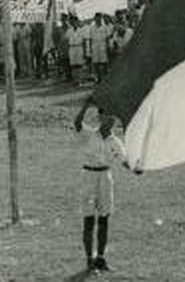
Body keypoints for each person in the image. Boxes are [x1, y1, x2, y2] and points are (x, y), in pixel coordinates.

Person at [73, 96, 140, 273]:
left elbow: (124, 160)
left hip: (105, 177)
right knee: (89, 219)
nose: (110, 121)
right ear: (101, 118)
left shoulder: (115, 142)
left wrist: (135, 169)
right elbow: (77, 123)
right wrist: (86, 106)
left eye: (113, 119)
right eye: (107, 117)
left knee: (104, 218)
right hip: (88, 176)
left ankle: (101, 258)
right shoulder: (88, 134)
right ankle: (89, 260)